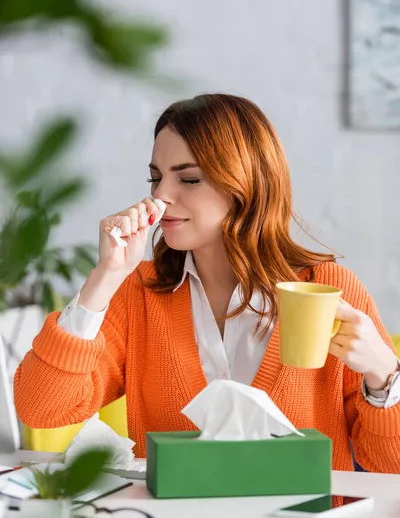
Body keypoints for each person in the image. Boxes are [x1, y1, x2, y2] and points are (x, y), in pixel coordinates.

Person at [14, 94, 400, 473]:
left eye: (189, 178)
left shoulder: (329, 288)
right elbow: (42, 407)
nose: (160, 196)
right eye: (155, 178)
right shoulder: (138, 293)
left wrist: (384, 376)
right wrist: (104, 277)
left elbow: (389, 465)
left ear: (245, 184)